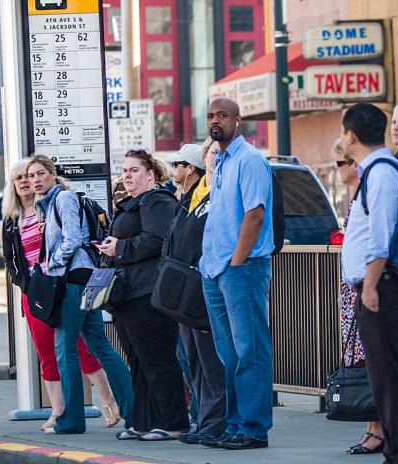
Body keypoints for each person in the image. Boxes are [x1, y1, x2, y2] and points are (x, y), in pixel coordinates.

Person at [2, 159, 123, 432]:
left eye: (30, 175)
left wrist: (55, 260)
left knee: (79, 346)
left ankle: (108, 400)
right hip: (36, 290)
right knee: (49, 351)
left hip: (63, 282)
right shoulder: (12, 219)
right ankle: (59, 411)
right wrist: (24, 284)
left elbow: (69, 241)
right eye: (19, 178)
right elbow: (10, 259)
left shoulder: (53, 206)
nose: (25, 181)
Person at [339, 102, 398, 463]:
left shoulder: (382, 172)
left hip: (384, 287)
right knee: (383, 378)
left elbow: (381, 237)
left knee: (389, 379)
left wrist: (370, 285)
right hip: (376, 286)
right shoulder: (374, 170)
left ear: (350, 135)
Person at [94, 149, 188, 441]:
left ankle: (173, 423)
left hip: (148, 291)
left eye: (134, 170)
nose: (127, 175)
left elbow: (157, 240)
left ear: (151, 174)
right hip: (127, 295)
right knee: (137, 360)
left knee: (157, 358)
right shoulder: (132, 203)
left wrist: (119, 248)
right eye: (124, 170)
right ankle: (145, 420)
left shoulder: (157, 201)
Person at [198, 97, 275, 451]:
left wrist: (238, 262)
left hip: (240, 269)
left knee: (250, 350)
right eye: (211, 116)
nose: (216, 121)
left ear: (238, 121)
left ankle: (254, 428)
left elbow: (255, 215)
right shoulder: (222, 162)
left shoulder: (250, 160)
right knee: (228, 354)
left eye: (222, 115)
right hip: (214, 269)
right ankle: (234, 425)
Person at [163, 142, 228, 446]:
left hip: (205, 284)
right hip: (184, 288)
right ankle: (204, 417)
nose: (215, 158)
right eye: (211, 153)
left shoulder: (222, 192)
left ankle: (215, 421)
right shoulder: (195, 193)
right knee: (193, 358)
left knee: (210, 359)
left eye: (219, 153)